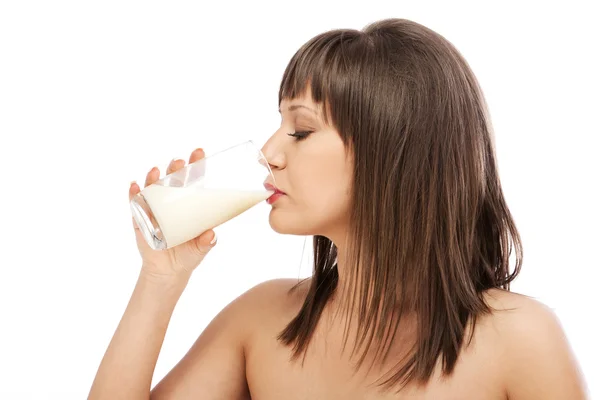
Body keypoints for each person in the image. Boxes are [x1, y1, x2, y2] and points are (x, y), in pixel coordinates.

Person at [88, 18, 588, 399]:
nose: (270, 151)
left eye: (300, 130)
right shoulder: (261, 322)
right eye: (279, 124)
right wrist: (160, 280)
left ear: (394, 151)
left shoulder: (519, 340)